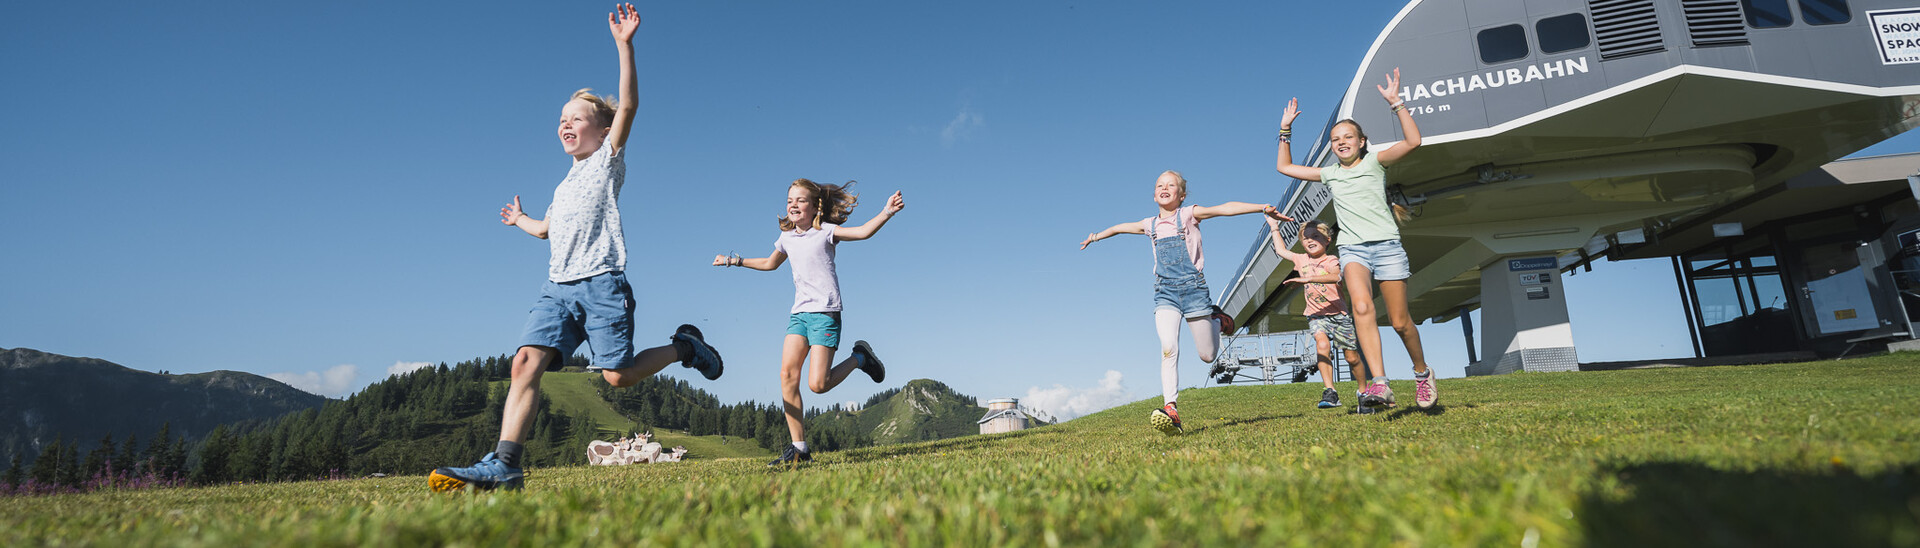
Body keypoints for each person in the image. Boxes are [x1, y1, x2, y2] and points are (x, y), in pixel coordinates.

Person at [429, 4, 725, 493]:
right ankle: (506, 464)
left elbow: (628, 106)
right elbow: (548, 229)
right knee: (524, 362)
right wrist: (521, 219)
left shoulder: (607, 162)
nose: (565, 126)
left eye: (577, 119)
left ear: (603, 131)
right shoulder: (564, 184)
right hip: (557, 289)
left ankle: (683, 347)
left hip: (602, 283)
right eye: (561, 120)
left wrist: (624, 47)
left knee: (617, 377)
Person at [1274, 68, 1437, 411]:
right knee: (1361, 308)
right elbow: (1285, 168)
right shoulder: (1330, 174)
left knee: (1399, 322)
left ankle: (1422, 374)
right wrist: (1285, 129)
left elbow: (1413, 142)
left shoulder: (1376, 162)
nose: (1342, 142)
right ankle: (1380, 384)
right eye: (1336, 140)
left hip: (1387, 247)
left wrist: (1397, 104)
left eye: (1348, 137)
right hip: (1352, 249)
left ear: (1361, 142)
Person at [1081, 170, 1287, 434]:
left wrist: (1262, 208)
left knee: (1207, 355)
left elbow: (1225, 209)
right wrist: (1095, 236)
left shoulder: (1189, 215)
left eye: (1171, 185)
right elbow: (1120, 228)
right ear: (1154, 194)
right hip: (1164, 292)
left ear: (1182, 195)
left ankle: (1217, 319)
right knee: (1168, 348)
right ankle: (1171, 408)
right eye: (1159, 185)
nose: (1164, 188)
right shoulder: (1149, 225)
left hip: (1194, 292)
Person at [714, 179, 902, 466]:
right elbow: (769, 263)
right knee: (787, 375)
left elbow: (862, 233)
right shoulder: (786, 238)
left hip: (826, 312)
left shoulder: (825, 232)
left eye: (800, 200)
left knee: (818, 385)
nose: (793, 204)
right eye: (790, 200)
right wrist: (734, 261)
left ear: (815, 206)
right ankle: (799, 449)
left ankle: (860, 358)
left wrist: (886, 212)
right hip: (799, 314)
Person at [1263, 216, 1369, 411]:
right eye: (1305, 238)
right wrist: (1274, 227)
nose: (1310, 240)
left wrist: (1308, 278)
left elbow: (1336, 276)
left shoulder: (1331, 260)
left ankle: (1364, 392)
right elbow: (1281, 251)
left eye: (1315, 236)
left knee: (1352, 358)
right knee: (1322, 345)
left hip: (1339, 315)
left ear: (1327, 240)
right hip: (1315, 313)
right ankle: (1330, 391)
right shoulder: (1301, 259)